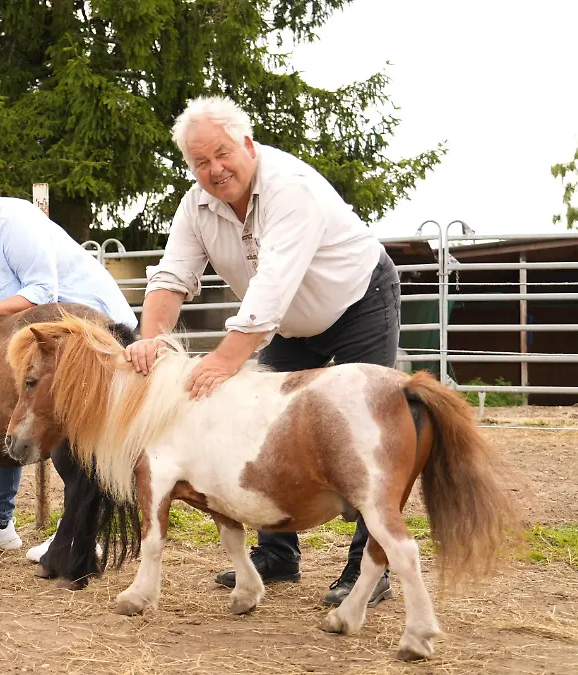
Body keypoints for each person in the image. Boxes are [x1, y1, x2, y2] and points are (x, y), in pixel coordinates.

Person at [123, 96, 401, 608]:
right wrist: (151, 340)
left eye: (222, 154)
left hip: (358, 300)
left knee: (370, 437)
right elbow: (171, 275)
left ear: (247, 144)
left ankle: (369, 567)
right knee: (261, 428)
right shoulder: (196, 206)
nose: (214, 169)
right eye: (200, 162)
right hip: (283, 327)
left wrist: (226, 360)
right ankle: (277, 555)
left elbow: (273, 285)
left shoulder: (290, 190)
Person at [0, 153, 138, 563]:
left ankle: (82, 529)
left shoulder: (13, 221)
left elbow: (43, 290)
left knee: (71, 427)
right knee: (0, 402)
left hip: (85, 318)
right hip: (28, 339)